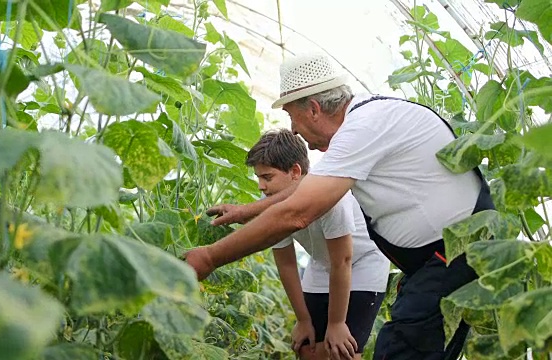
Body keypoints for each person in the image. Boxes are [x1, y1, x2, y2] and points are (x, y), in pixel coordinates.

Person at [185, 53, 494, 360]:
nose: (293, 130)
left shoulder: (362, 128)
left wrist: (210, 257)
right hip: (443, 257)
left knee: (401, 348)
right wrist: (246, 211)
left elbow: (297, 212)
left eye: (293, 116)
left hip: (455, 253)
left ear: (315, 109)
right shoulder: (365, 122)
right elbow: (301, 192)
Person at [245, 129, 389, 360]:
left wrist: (337, 323)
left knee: (341, 352)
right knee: (308, 349)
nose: (261, 186)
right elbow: (287, 265)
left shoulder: (333, 199)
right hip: (322, 264)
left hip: (362, 264)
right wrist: (302, 320)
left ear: (295, 171)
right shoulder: (270, 204)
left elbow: (342, 261)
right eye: (258, 177)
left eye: (267, 177)